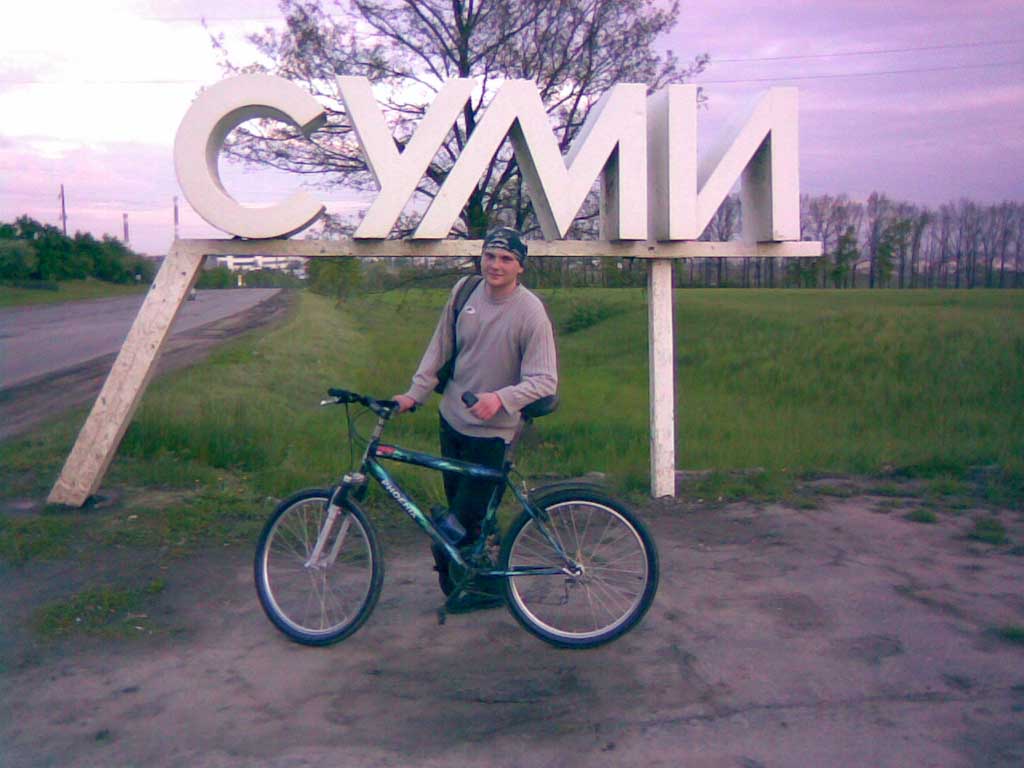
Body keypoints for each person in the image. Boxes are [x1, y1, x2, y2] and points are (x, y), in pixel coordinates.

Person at [393, 227, 557, 607]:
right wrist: (414, 394)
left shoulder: (530, 312)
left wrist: (500, 399)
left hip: (493, 434)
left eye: (506, 259)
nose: (496, 265)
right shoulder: (464, 291)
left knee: (457, 524)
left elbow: (545, 380)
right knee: (469, 519)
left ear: (520, 267)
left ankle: (483, 587)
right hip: (451, 421)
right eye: (490, 256)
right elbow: (439, 348)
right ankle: (478, 585)